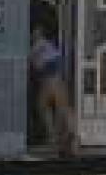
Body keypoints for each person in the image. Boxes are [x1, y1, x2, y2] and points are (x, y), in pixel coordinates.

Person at [31, 23, 77, 157]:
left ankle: (64, 138)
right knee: (55, 107)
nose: (35, 33)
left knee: (55, 107)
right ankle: (60, 137)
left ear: (39, 32)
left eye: (36, 31)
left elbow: (37, 64)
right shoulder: (47, 44)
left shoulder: (39, 45)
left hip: (51, 78)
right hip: (53, 77)